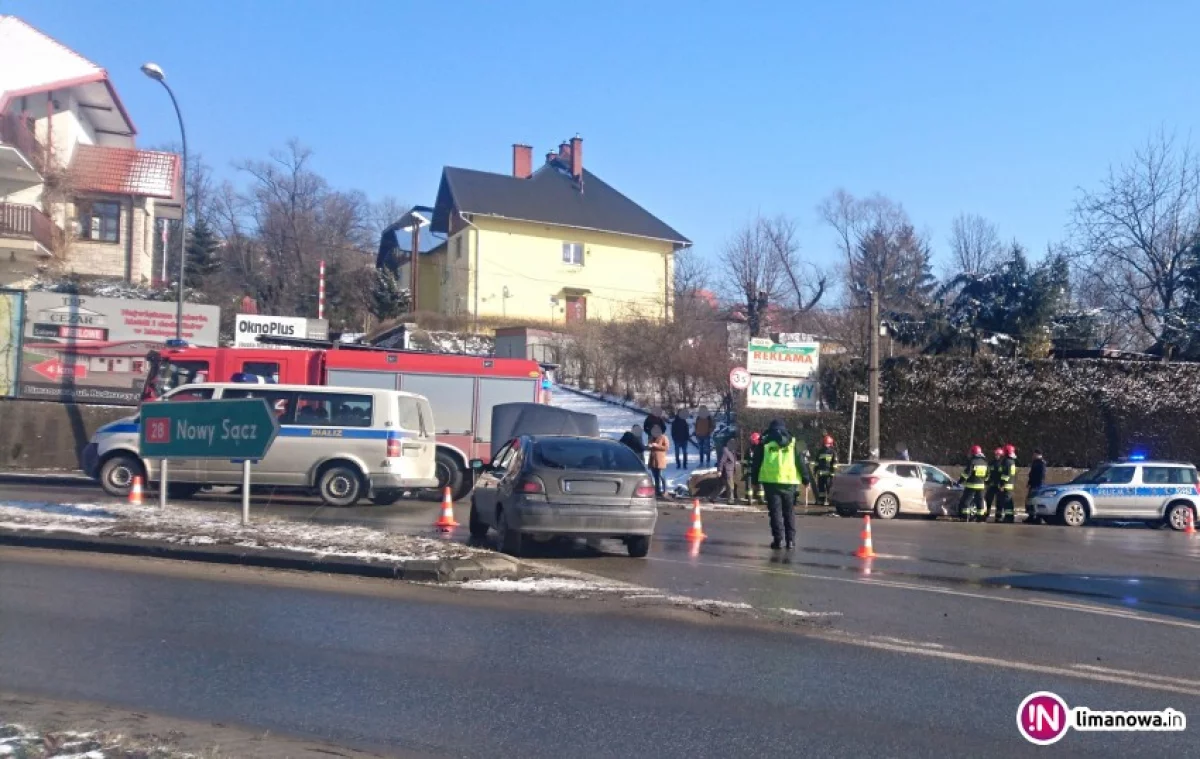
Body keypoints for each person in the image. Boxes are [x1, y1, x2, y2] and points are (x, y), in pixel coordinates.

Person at [756, 419, 806, 550]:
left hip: (770, 482)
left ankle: (778, 540)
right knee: (789, 512)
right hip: (789, 483)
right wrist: (806, 479)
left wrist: (755, 479)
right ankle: (791, 541)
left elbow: (757, 462)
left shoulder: (764, 442)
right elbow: (800, 462)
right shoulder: (793, 443)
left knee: (775, 512)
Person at [957, 445, 990, 520]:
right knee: (980, 501)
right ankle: (980, 517)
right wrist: (983, 481)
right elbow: (988, 475)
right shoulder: (985, 462)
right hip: (981, 486)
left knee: (966, 501)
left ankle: (965, 517)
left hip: (971, 485)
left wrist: (960, 481)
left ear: (973, 453)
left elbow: (967, 474)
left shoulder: (972, 461)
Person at [997, 443, 1018, 523]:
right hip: (1010, 484)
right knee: (1009, 501)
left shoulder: (1007, 461)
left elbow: (1005, 475)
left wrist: (1002, 484)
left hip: (1006, 485)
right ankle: (1009, 517)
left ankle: (1008, 518)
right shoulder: (1012, 461)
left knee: (1007, 502)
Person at [646, 425, 669, 497]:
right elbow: (649, 447)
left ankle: (665, 490)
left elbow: (666, 448)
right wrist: (649, 446)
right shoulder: (651, 437)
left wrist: (657, 445)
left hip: (660, 459)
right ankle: (657, 490)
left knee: (661, 475)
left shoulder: (663, 437)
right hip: (652, 459)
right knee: (655, 476)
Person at [814, 435, 837, 507]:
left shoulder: (831, 452)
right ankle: (824, 501)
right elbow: (817, 462)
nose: (826, 445)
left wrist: (832, 473)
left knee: (826, 488)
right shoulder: (822, 451)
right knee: (823, 488)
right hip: (823, 474)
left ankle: (827, 501)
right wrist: (815, 470)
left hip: (826, 474)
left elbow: (834, 464)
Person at [742, 432, 763, 505]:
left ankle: (761, 499)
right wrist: (747, 463)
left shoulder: (761, 448)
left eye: (754, 440)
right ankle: (749, 499)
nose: (753, 442)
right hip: (751, 470)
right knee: (749, 485)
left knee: (760, 484)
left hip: (759, 470)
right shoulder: (749, 449)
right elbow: (745, 459)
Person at [984, 447, 1004, 523]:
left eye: (998, 454)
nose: (997, 455)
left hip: (999, 485)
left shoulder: (1002, 464)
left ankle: (998, 517)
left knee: (999, 502)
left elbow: (1004, 475)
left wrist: (1002, 484)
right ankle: (986, 514)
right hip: (991, 485)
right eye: (996, 454)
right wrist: (987, 482)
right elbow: (988, 473)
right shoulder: (991, 463)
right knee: (988, 500)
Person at [1026, 449, 1046, 524]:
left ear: (1038, 454)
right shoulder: (1035, 462)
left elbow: (1041, 475)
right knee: (1030, 501)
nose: (1033, 456)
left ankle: (1038, 518)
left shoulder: (1041, 463)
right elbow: (1032, 474)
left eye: (1034, 454)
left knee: (1036, 501)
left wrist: (1039, 485)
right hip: (1033, 484)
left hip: (1038, 485)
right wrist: (1029, 482)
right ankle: (1031, 516)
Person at [717, 438, 740, 504]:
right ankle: (731, 500)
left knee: (722, 486)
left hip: (729, 471)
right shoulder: (726, 451)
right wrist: (720, 470)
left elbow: (734, 459)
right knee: (730, 486)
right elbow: (721, 461)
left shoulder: (732, 451)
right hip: (727, 472)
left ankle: (712, 497)